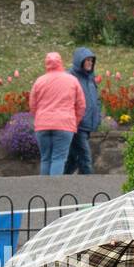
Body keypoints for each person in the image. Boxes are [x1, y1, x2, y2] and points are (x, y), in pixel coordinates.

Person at [28, 51, 84, 176]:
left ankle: (43, 192)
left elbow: (32, 105)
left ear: (46, 64)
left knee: (45, 158)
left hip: (42, 125)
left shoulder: (39, 81)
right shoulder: (72, 80)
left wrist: (38, 118)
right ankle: (55, 192)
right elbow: (81, 105)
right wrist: (75, 121)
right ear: (60, 62)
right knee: (59, 158)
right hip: (64, 124)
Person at [64, 47, 99, 175]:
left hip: (86, 125)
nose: (90, 63)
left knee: (72, 160)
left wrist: (98, 117)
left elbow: (96, 99)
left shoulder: (90, 78)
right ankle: (91, 189)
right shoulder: (70, 77)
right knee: (85, 158)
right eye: (87, 60)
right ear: (80, 61)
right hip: (77, 125)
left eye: (91, 60)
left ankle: (59, 182)